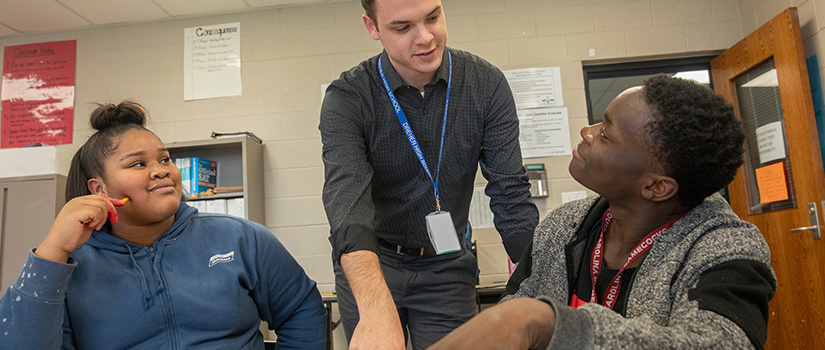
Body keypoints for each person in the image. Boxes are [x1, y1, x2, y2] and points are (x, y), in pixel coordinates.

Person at [430, 75, 777, 349]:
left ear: (656, 187)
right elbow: (514, 307)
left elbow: (719, 342)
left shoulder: (726, 250)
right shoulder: (563, 227)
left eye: (606, 134)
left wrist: (548, 323)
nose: (587, 132)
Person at [0, 101, 326, 349]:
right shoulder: (73, 266)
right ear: (98, 189)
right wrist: (53, 251)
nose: (160, 170)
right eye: (139, 164)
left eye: (165, 159)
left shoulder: (240, 237)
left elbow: (302, 310)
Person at [319, 0, 539, 348]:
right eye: (403, 27)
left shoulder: (485, 85)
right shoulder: (348, 98)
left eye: (433, 17)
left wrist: (546, 284)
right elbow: (348, 208)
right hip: (375, 261)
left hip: (446, 263)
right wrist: (375, 311)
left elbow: (511, 196)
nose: (425, 38)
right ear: (372, 27)